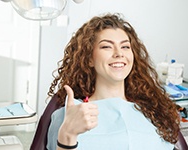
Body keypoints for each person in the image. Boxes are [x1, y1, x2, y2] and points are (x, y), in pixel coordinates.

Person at [46, 13, 180, 150]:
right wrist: (67, 134)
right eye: (106, 47)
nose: (119, 53)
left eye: (125, 47)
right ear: (89, 59)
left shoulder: (154, 111)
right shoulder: (70, 114)